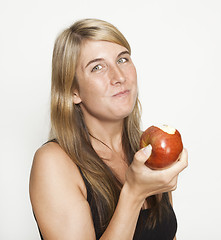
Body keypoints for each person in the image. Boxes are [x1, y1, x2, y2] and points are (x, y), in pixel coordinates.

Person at [29, 18, 188, 240]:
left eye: (122, 59)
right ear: (73, 91)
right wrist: (133, 193)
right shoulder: (53, 162)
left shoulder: (146, 151)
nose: (119, 77)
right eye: (97, 67)